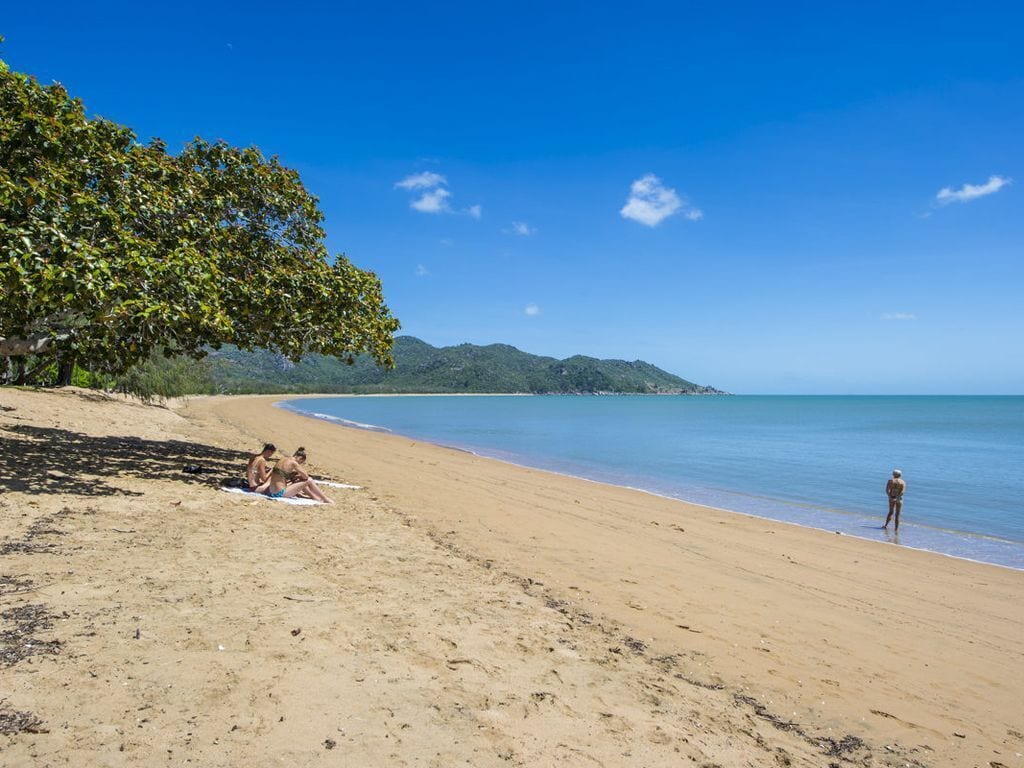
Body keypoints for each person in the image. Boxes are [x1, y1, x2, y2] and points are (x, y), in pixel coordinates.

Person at [263, 447, 335, 504]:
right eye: (301, 462)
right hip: (279, 493)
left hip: (271, 491)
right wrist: (299, 476)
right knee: (309, 480)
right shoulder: (293, 462)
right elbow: (306, 476)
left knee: (300, 482)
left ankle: (316, 497)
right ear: (300, 458)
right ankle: (325, 499)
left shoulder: (282, 459)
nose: (300, 464)